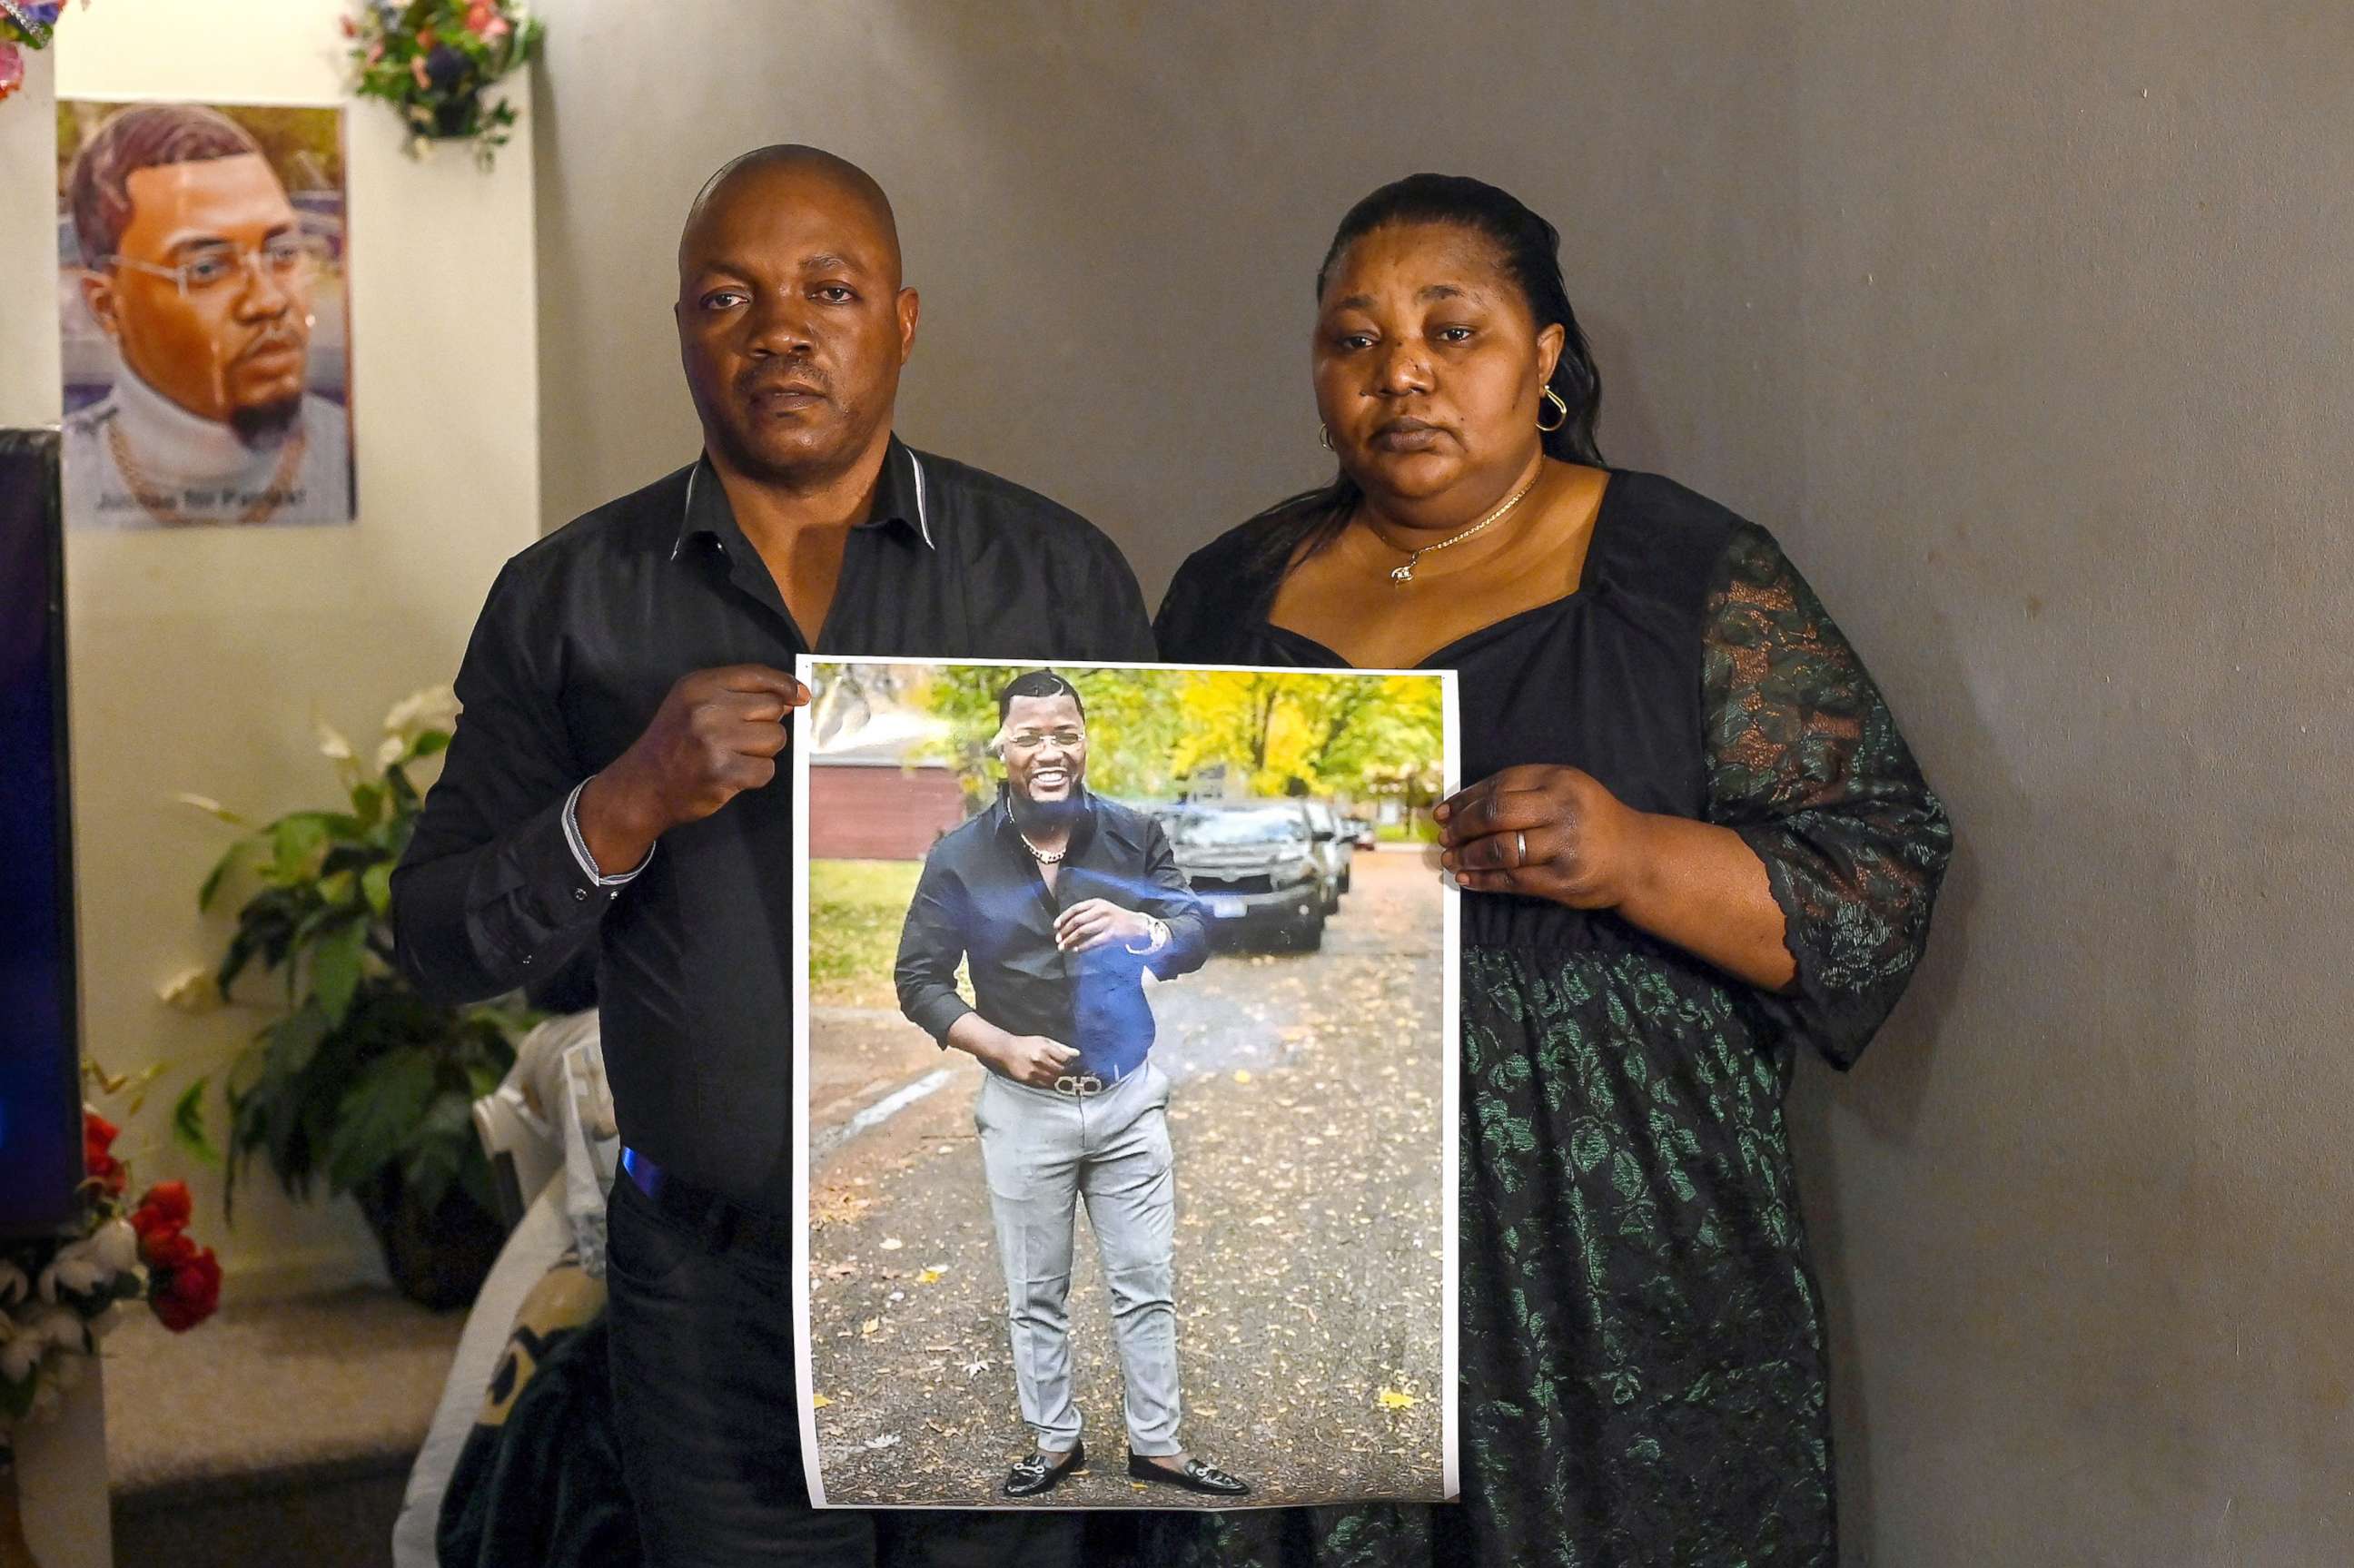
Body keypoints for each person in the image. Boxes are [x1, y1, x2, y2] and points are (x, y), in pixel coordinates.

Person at [1150, 173, 1953, 1565]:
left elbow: (1874, 876)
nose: (1401, 371)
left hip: (1613, 1263)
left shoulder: (1682, 571)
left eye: (1451, 330)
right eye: (1355, 339)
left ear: (1546, 358)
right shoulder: (1228, 593)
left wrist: (1633, 852)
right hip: (1299, 1246)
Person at [391, 145, 1154, 1568]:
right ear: (684, 327)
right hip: (711, 1287)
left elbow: (1154, 889)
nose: (782, 329)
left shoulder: (1057, 576)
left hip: (1005, 1258)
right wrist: (625, 800)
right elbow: (439, 940)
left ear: (905, 319)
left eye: (832, 289)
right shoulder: (567, 600)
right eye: (728, 297)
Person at [895, 669, 1247, 1501]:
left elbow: (1194, 931)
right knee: (1035, 1294)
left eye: (1064, 733)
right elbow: (919, 979)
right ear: (1003, 747)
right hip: (1023, 1111)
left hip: (1128, 1101)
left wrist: (1144, 926)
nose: (1048, 750)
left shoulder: (1134, 834)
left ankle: (1157, 1446)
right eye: (1029, 736)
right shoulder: (959, 856)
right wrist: (998, 1045)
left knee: (1144, 1284)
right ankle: (1056, 1443)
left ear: (1084, 742)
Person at [62, 103, 351, 529]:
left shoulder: (355, 453)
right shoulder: (59, 482)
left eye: (284, 253)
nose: (268, 301)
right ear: (107, 305)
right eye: (206, 269)